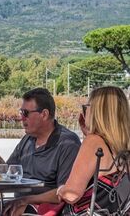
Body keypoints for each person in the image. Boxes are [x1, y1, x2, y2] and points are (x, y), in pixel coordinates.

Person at [0, 88, 81, 216]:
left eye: (25, 113)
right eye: (21, 112)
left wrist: (26, 200)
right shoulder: (28, 139)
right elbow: (5, 173)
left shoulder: (67, 143)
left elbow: (65, 192)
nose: (21, 118)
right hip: (18, 204)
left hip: (44, 209)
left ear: (44, 114)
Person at [57, 86, 130, 215]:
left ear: (98, 111)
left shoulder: (94, 142)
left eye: (87, 107)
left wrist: (61, 189)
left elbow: (71, 195)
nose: (85, 112)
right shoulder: (123, 147)